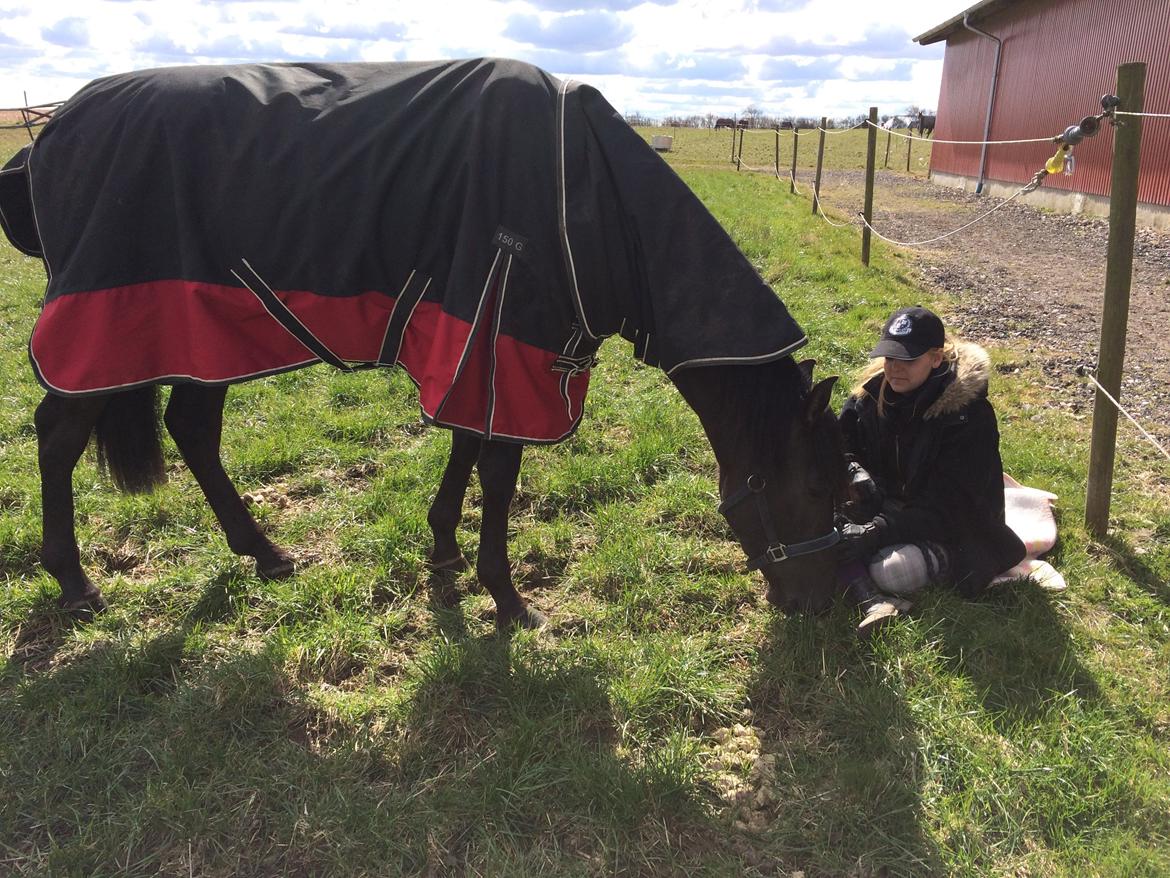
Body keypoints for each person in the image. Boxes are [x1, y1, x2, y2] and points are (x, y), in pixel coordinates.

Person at [835, 305, 1026, 637]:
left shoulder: (968, 417)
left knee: (890, 571)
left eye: (908, 360)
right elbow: (839, 445)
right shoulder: (869, 397)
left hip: (955, 528)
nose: (894, 369)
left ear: (936, 358)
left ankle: (874, 584)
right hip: (886, 510)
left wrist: (878, 530)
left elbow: (952, 506)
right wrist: (853, 469)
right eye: (890, 357)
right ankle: (871, 598)